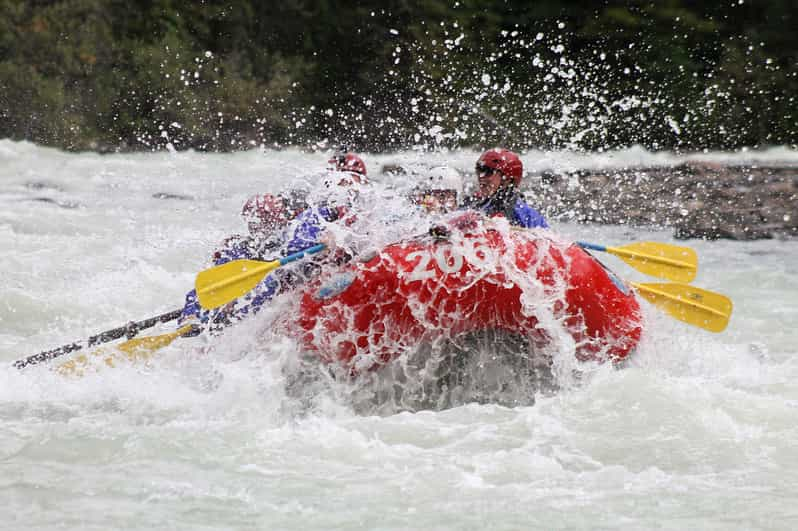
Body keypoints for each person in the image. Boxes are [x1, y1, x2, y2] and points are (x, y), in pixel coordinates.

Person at [463, 148, 548, 229]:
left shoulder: (526, 215)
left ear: (507, 179)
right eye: (479, 170)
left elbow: (546, 237)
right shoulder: (478, 204)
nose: (481, 176)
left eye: (488, 171)